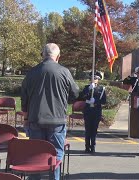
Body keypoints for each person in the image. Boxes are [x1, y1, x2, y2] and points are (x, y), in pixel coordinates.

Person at [21, 43, 79, 180]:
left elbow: (24, 99)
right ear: (58, 57)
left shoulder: (31, 73)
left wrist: (25, 118)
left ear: (43, 55)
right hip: (57, 120)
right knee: (56, 154)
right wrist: (65, 99)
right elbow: (75, 93)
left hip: (35, 119)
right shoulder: (64, 72)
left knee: (36, 154)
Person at [79, 71, 106, 153]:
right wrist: (89, 89)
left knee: (94, 129)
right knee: (88, 129)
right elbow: (81, 96)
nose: (94, 80)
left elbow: (104, 101)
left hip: (96, 110)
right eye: (93, 78)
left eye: (96, 78)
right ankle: (87, 147)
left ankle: (93, 146)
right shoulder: (87, 87)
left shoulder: (101, 89)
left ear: (98, 80)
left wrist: (96, 101)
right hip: (88, 110)